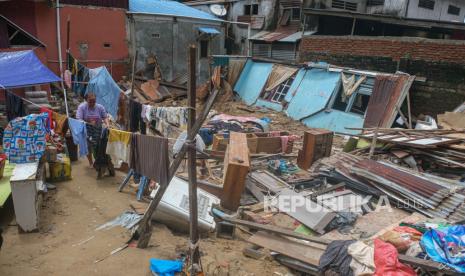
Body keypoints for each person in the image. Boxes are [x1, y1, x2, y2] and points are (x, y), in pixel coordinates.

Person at [76, 92, 109, 167]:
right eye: (90, 101)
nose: (92, 103)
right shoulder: (82, 107)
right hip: (86, 128)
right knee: (88, 146)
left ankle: (98, 160)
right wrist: (88, 122)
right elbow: (78, 118)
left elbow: (105, 117)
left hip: (97, 128)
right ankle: (91, 162)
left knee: (98, 145)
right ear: (86, 100)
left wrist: (107, 124)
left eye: (94, 101)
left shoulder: (100, 107)